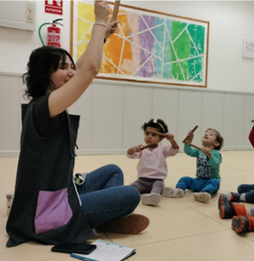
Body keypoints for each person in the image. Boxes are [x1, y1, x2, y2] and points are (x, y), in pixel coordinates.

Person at [6, 1, 148, 247]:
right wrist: (99, 20)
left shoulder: (45, 104)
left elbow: (82, 68)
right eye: (63, 68)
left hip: (62, 188)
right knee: (131, 193)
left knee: (114, 170)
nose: (71, 72)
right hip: (47, 212)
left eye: (71, 66)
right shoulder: (44, 108)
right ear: (44, 74)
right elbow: (89, 70)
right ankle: (96, 218)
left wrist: (101, 37)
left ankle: (99, 215)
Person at [127, 118, 179, 206]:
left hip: (157, 179)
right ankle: (161, 191)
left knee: (158, 185)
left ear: (161, 138)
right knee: (131, 188)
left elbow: (175, 150)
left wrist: (172, 140)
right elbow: (129, 155)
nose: (149, 136)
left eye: (154, 135)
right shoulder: (142, 148)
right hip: (142, 180)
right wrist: (133, 149)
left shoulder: (163, 148)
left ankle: (153, 196)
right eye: (147, 133)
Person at [162, 128, 223, 203]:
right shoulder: (200, 151)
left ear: (216, 143)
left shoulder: (216, 153)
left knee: (215, 182)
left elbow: (215, 164)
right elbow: (188, 151)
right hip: (198, 180)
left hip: (210, 181)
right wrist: (189, 141)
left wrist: (209, 155)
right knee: (184, 179)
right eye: (205, 133)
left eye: (211, 134)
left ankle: (204, 193)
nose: (206, 134)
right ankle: (179, 191)